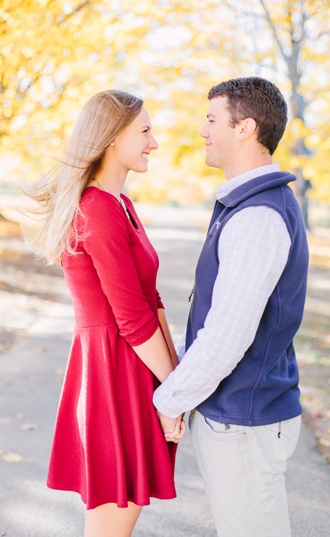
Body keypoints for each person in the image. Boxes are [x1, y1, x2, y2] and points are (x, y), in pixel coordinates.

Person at [25, 90, 185, 537]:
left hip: (134, 368)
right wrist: (173, 390)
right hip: (114, 374)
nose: (154, 143)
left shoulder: (121, 206)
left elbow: (151, 302)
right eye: (145, 131)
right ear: (113, 138)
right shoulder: (97, 209)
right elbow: (131, 317)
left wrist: (174, 382)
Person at [153, 77, 308, 537]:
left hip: (244, 421)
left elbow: (228, 334)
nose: (203, 131)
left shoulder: (258, 216)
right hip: (236, 415)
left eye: (211, 119)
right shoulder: (246, 204)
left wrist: (171, 398)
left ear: (245, 128)